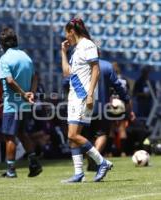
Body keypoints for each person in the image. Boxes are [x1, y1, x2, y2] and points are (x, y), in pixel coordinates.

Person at [60, 18, 112, 182]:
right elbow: (67, 73)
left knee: (73, 134)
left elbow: (95, 69)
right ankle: (78, 173)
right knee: (72, 137)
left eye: (66, 33)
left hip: (83, 96)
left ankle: (102, 162)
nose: (66, 37)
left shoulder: (88, 45)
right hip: (74, 96)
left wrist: (90, 94)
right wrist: (63, 52)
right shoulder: (75, 50)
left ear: (72, 31)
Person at [0, 27, 42, 178]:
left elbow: (9, 81)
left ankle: (11, 170)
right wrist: (32, 94)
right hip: (25, 104)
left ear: (2, 44)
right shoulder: (26, 56)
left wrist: (24, 94)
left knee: (9, 136)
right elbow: (35, 77)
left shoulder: (4, 58)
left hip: (12, 104)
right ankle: (34, 162)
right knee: (22, 133)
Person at [83, 60, 135, 171]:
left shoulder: (83, 64)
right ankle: (121, 152)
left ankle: (108, 152)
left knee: (101, 132)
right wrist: (128, 104)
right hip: (113, 105)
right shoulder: (111, 71)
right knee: (115, 130)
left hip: (93, 105)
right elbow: (121, 89)